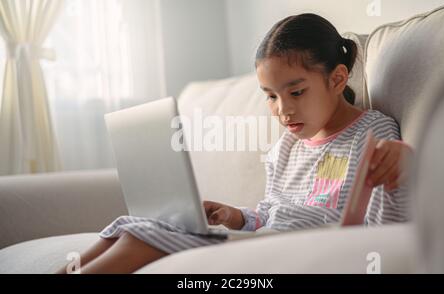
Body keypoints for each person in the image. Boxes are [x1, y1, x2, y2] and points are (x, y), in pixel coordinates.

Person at [56, 13, 413, 274]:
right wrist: (239, 216)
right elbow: (271, 209)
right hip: (271, 237)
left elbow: (385, 227)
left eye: (296, 92)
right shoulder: (285, 148)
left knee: (144, 239)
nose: (283, 110)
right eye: (271, 96)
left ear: (337, 79)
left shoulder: (373, 133)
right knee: (132, 224)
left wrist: (402, 171)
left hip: (309, 247)